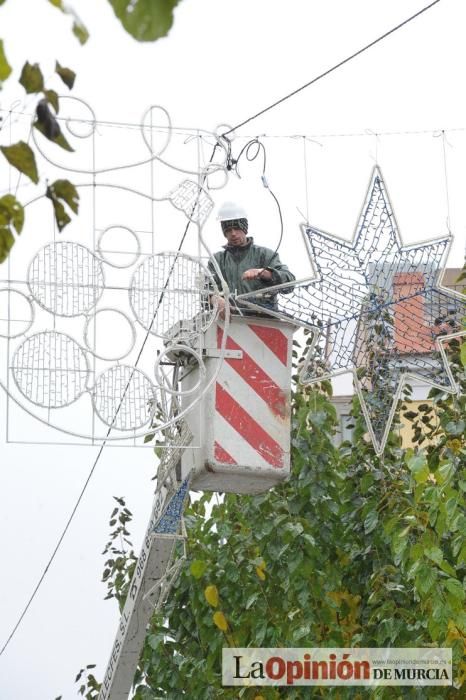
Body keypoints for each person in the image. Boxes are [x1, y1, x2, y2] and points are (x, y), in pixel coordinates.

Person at [208, 201, 295, 316]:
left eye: (236, 228)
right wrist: (214, 299)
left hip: (263, 321)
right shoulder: (217, 261)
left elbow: (289, 283)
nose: (233, 233)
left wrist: (264, 273)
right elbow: (206, 291)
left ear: (244, 228)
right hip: (229, 322)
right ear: (224, 232)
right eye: (228, 230)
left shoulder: (265, 254)